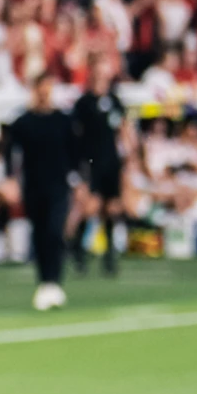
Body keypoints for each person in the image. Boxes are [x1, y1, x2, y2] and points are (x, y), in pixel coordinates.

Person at [8, 72, 79, 311]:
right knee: (39, 234)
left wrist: (80, 181)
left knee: (54, 232)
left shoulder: (63, 120)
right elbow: (11, 153)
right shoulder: (24, 122)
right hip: (34, 186)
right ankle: (44, 282)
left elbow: (77, 154)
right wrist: (10, 180)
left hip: (59, 186)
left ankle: (55, 281)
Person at [70, 57, 132, 275]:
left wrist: (129, 156)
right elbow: (75, 135)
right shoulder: (83, 103)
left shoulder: (114, 101)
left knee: (112, 207)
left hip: (111, 159)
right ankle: (77, 248)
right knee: (91, 207)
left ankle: (109, 254)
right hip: (90, 160)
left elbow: (124, 129)